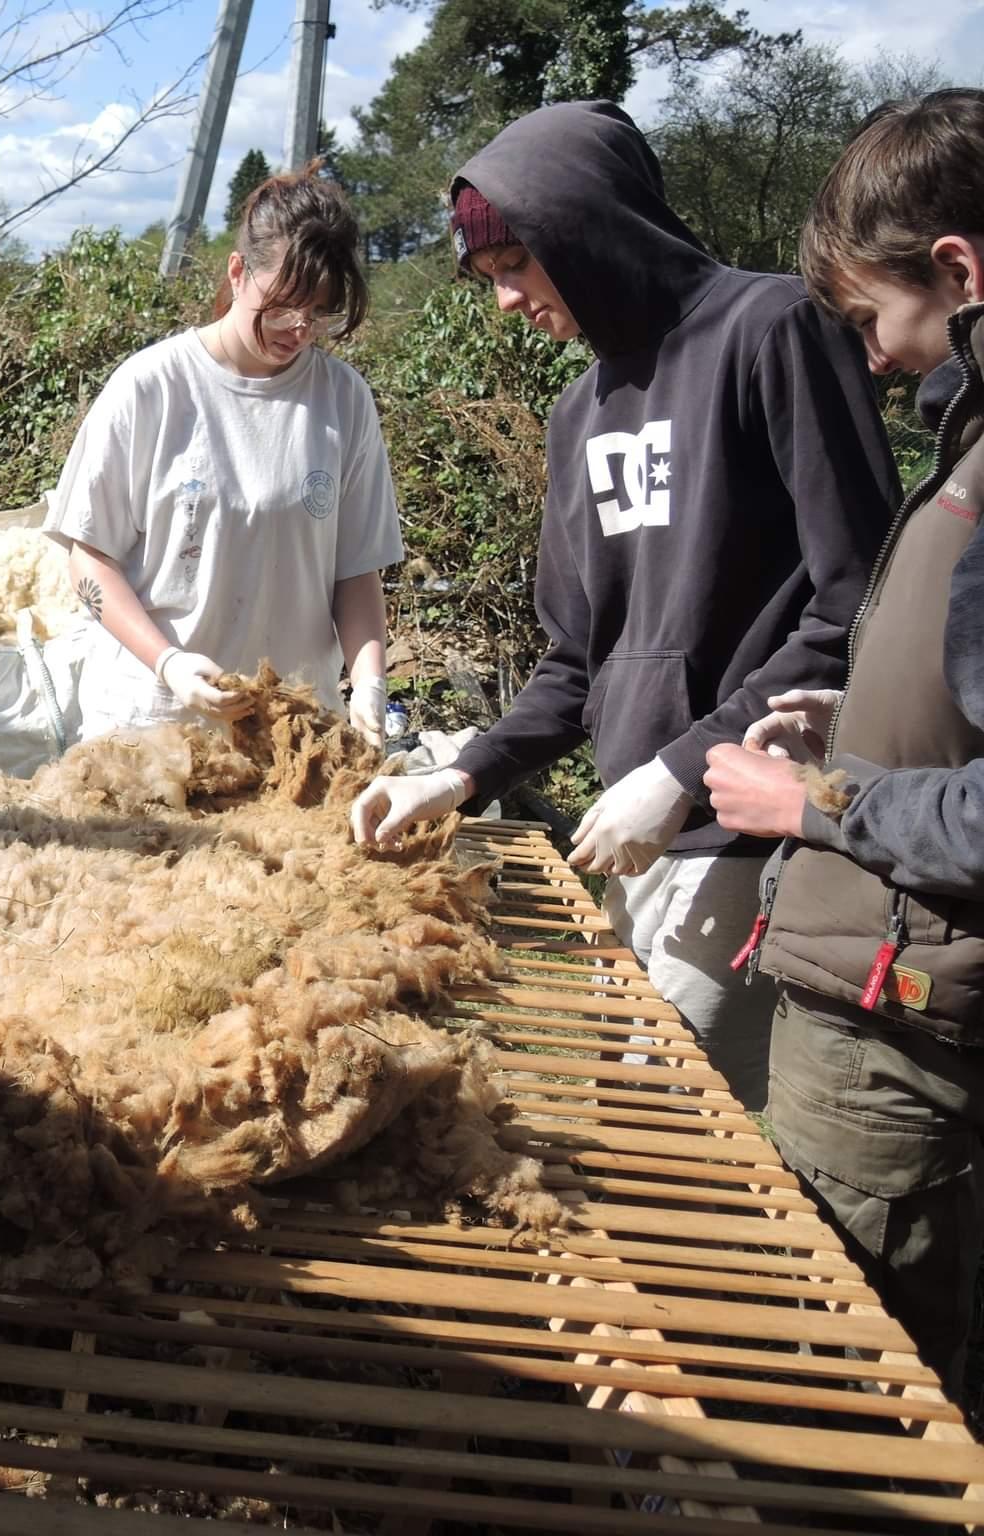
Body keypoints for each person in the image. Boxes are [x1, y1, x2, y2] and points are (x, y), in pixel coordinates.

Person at [346, 101, 899, 1114]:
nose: (505, 300)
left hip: (751, 834)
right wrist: (457, 778)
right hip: (635, 837)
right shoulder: (581, 408)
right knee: (625, 1110)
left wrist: (680, 769)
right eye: (487, 279)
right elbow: (576, 659)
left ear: (581, 226)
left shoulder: (769, 328)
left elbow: (859, 604)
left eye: (514, 264)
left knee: (681, 1146)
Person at [700, 89, 984, 1397]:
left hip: (905, 1040)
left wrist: (814, 795)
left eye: (872, 319)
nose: (868, 358)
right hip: (884, 1007)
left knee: (834, 1388)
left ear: (958, 270)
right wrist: (853, 720)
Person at [43, 165, 399, 746]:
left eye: (321, 311)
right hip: (151, 728)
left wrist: (368, 686)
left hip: (292, 732)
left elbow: (355, 570)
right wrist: (169, 664)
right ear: (239, 273)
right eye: (284, 305)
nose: (301, 327)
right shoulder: (152, 387)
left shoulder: (342, 399)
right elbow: (89, 559)